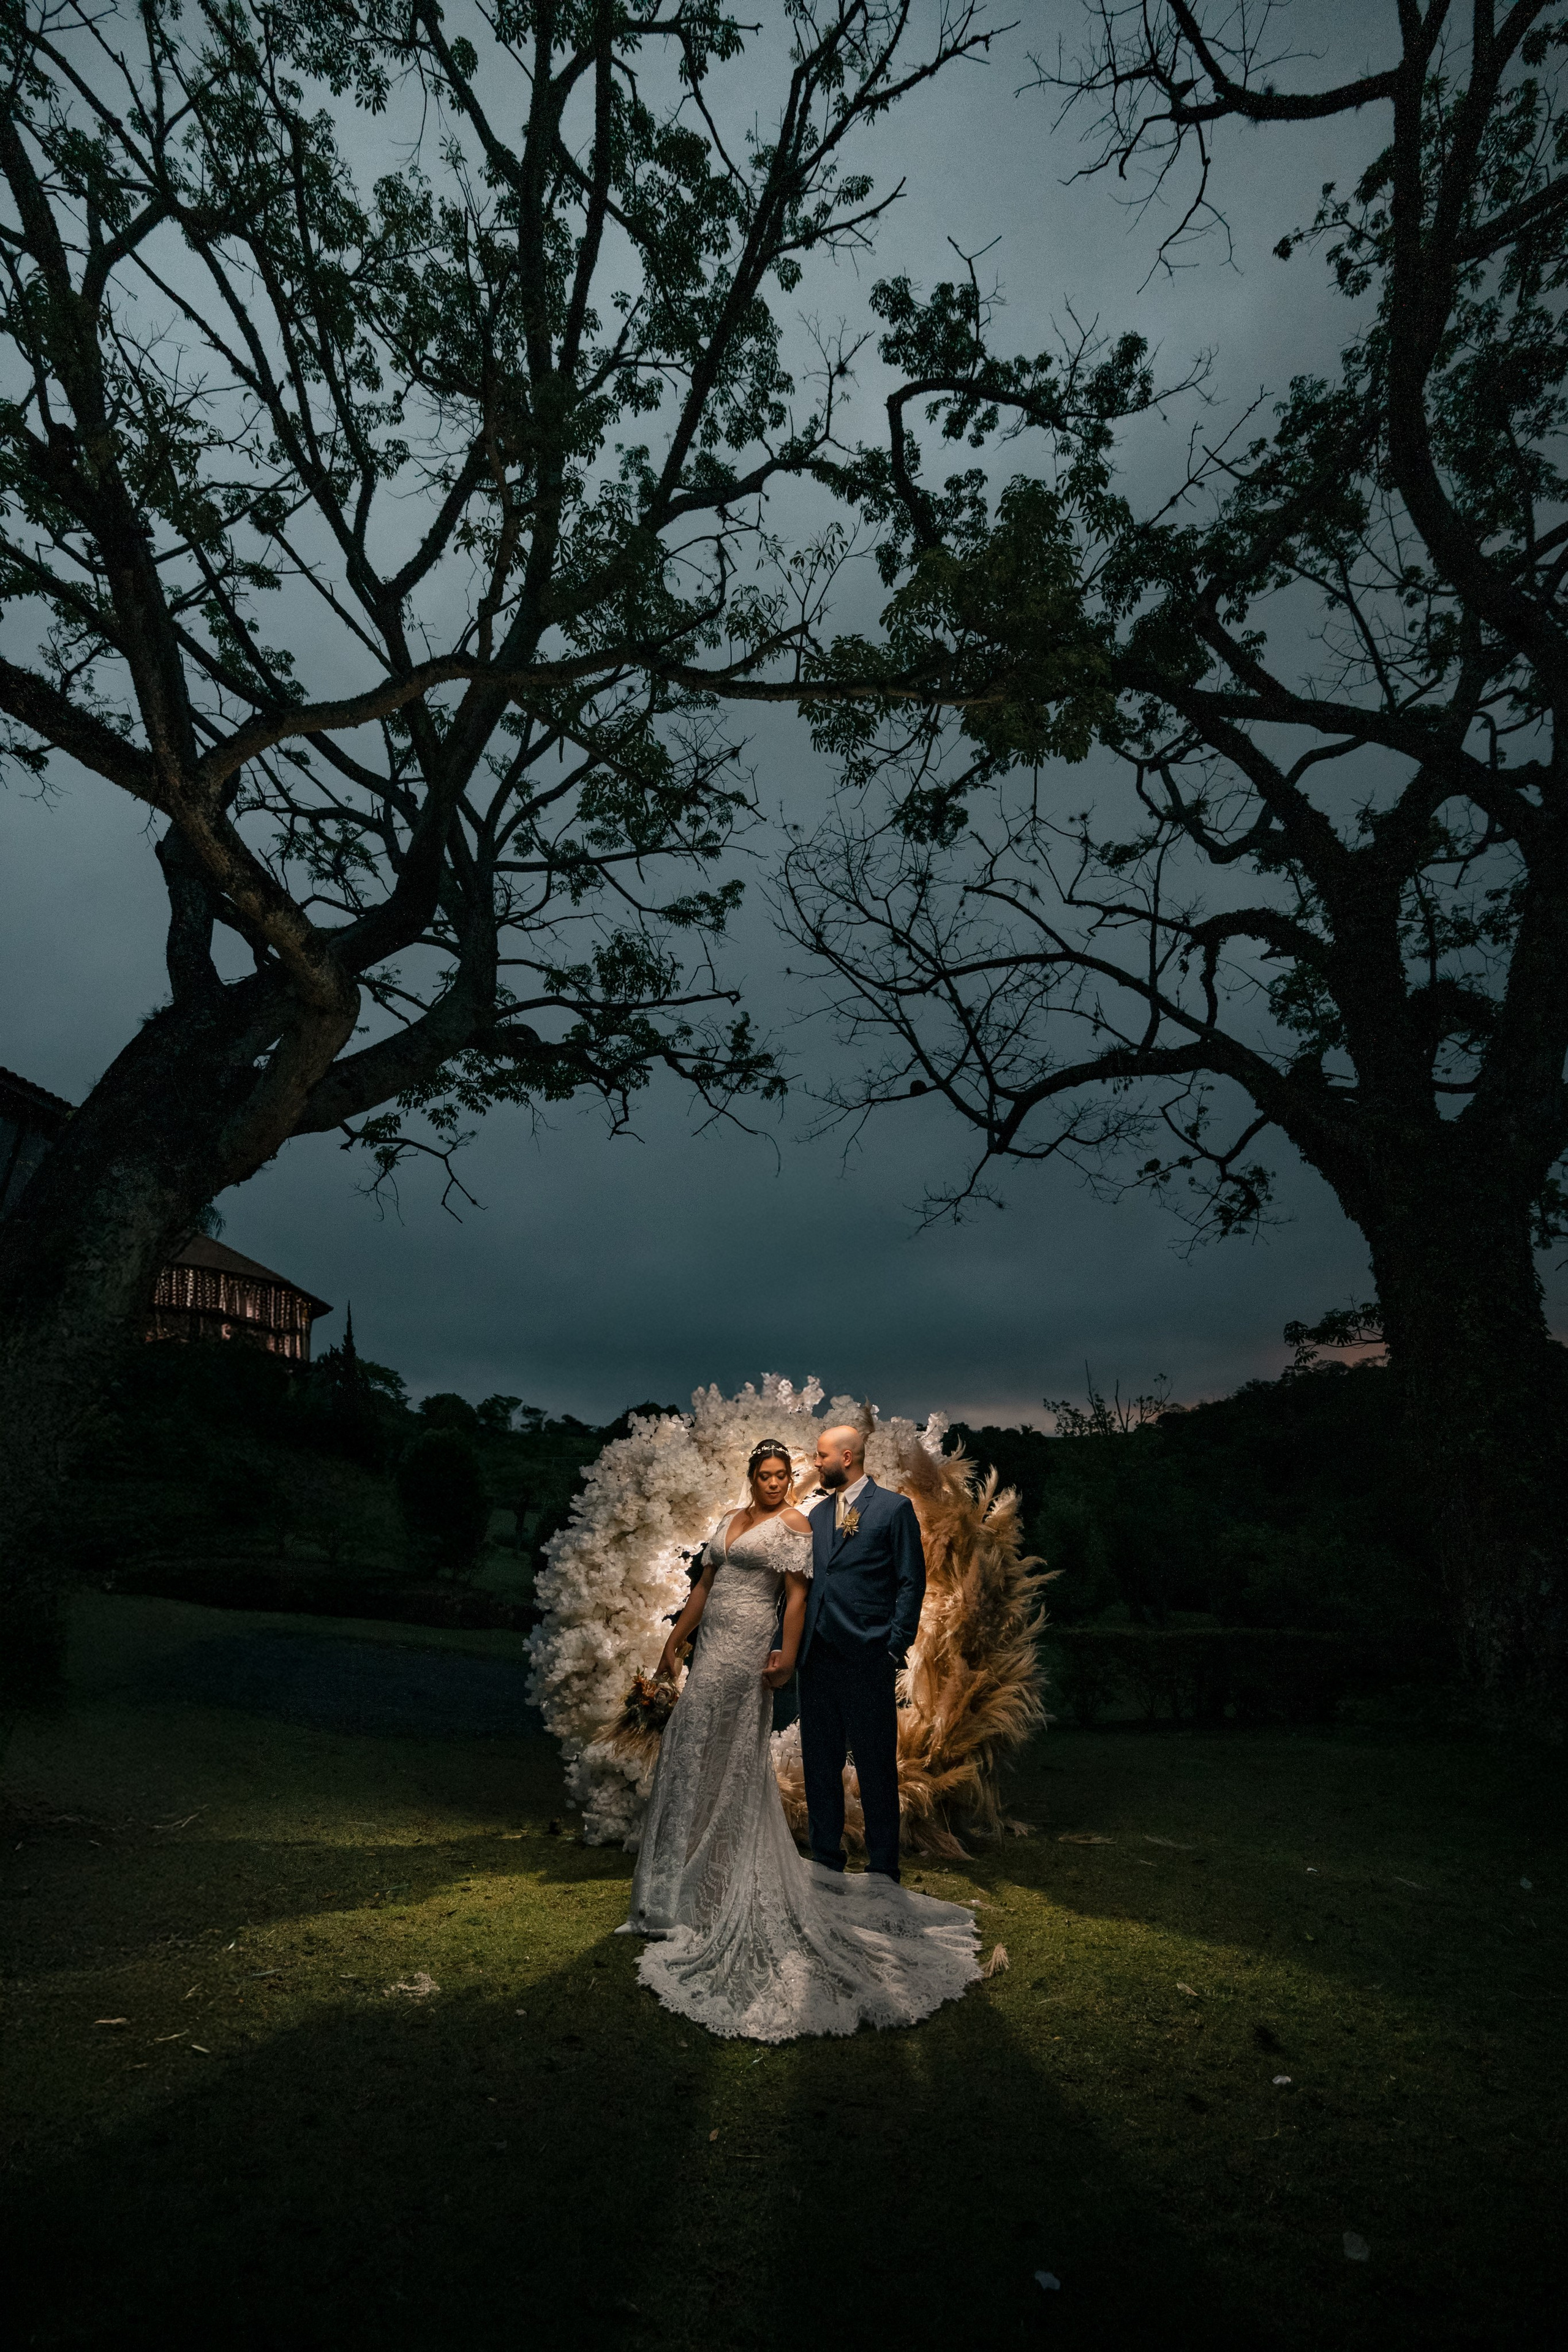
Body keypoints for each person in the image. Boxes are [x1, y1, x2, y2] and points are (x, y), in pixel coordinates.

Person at [619, 1438, 978, 2041]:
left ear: (848, 1456)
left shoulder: (873, 1513)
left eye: (810, 1462)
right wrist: (685, 1646)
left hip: (837, 1656)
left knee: (858, 1765)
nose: (800, 1472)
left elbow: (874, 1586)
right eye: (779, 1469)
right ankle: (780, 1869)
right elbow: (739, 1588)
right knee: (770, 1765)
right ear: (754, 1477)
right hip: (774, 1658)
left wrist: (876, 1647)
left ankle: (880, 1869)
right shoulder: (803, 1518)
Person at [796, 1422, 924, 1883]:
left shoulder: (894, 1510)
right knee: (820, 1765)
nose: (816, 1463)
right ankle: (827, 1859)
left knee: (875, 1767)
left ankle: (884, 1865)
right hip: (817, 1659)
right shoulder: (815, 1516)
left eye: (821, 1455)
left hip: (869, 1656)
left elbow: (912, 1582)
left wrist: (893, 1647)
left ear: (846, 1458)